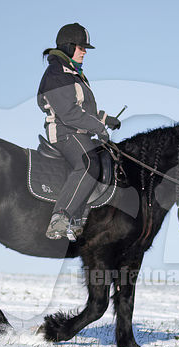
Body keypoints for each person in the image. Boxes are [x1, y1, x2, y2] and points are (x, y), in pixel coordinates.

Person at [37, 23, 121, 240]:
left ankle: (79, 219)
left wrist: (106, 119)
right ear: (68, 47)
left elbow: (86, 110)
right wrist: (99, 127)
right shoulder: (57, 73)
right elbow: (69, 113)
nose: (84, 51)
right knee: (89, 163)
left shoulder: (74, 74)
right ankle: (61, 217)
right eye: (80, 47)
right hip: (65, 132)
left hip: (80, 131)